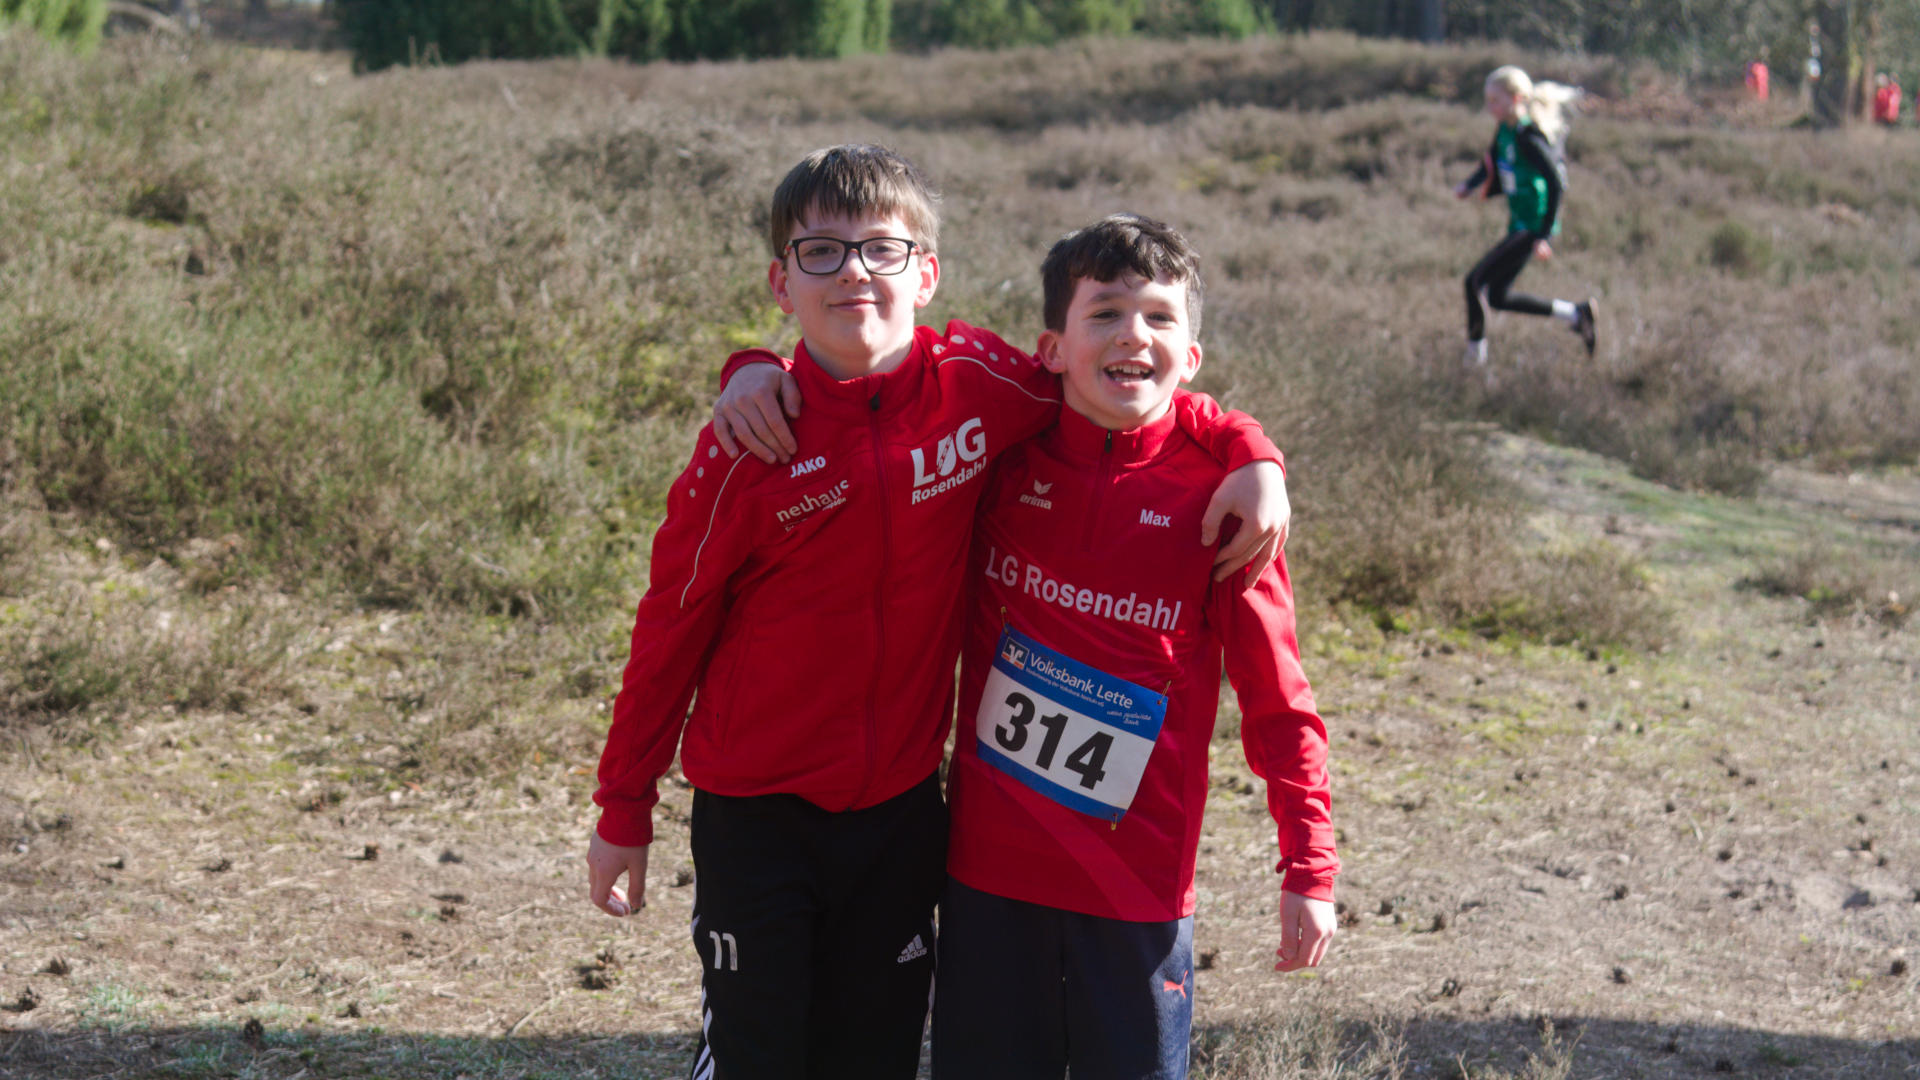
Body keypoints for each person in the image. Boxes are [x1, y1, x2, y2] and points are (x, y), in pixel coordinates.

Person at [584, 144, 1290, 1080]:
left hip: (902, 815)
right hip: (755, 816)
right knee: (760, 1057)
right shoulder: (747, 448)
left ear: (926, 274)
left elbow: (1117, 382)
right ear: (781, 282)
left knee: (875, 1056)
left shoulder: (978, 385)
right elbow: (668, 630)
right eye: (821, 252)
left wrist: (1251, 449)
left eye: (882, 248)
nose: (854, 273)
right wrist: (623, 805)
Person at [929, 214, 1337, 1080]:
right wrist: (755, 373)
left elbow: (1279, 700)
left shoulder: (1226, 504)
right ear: (1052, 348)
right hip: (989, 877)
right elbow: (895, 371)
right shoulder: (998, 460)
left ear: (1191, 356)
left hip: (1134, 891)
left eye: (1159, 317)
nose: (1132, 336)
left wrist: (1309, 865)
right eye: (1106, 313)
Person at [1453, 65, 1596, 366]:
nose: (1490, 106)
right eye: (1488, 100)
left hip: (1532, 225)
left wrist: (1544, 235)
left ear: (1516, 99)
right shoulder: (1504, 130)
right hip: (1517, 223)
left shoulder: (1529, 137)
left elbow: (1556, 183)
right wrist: (1470, 185)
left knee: (1473, 283)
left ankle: (1474, 362)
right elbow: (1491, 162)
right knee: (1498, 296)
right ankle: (1576, 314)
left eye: (1495, 100)